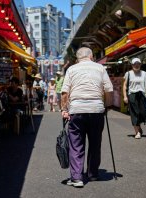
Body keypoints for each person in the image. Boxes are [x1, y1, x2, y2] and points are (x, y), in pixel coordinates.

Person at [61, 47, 113, 187]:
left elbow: (65, 92)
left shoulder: (71, 69)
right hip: (96, 110)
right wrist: (107, 106)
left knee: (76, 144)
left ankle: (77, 178)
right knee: (95, 143)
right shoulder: (100, 68)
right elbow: (109, 90)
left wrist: (64, 109)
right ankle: (93, 173)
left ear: (78, 58)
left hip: (77, 110)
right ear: (91, 56)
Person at [123, 58, 146, 139]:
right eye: (135, 64)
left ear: (140, 65)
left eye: (138, 64)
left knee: (142, 112)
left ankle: (139, 127)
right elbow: (125, 85)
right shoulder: (128, 73)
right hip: (132, 95)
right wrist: (125, 96)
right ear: (132, 65)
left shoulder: (144, 73)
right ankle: (137, 132)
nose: (136, 65)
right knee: (134, 113)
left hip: (142, 95)